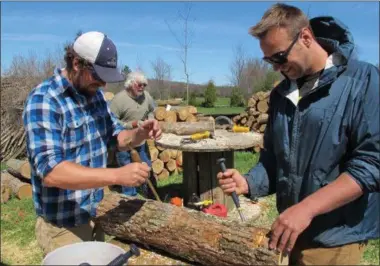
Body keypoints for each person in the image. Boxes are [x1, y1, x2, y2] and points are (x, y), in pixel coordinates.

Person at [217, 4, 379, 265]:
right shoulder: (281, 95)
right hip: (290, 231)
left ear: (305, 37)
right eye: (269, 61)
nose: (276, 67)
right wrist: (248, 182)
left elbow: (371, 165)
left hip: (336, 238)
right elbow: (273, 159)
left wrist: (306, 209)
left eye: (279, 57)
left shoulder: (362, 80)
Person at [22, 31, 162, 255]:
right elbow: (51, 172)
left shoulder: (94, 96)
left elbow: (115, 136)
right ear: (77, 63)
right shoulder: (45, 100)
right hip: (63, 226)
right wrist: (116, 176)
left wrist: (140, 134)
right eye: (98, 75)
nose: (104, 84)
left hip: (96, 212)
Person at [109, 71, 157, 197]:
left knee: (147, 167)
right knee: (127, 172)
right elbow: (112, 122)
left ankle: (150, 196)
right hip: (124, 143)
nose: (142, 87)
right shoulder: (119, 100)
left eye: (144, 85)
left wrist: (150, 119)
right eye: (139, 84)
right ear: (130, 84)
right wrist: (132, 124)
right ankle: (129, 200)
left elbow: (152, 110)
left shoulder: (146, 96)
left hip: (140, 142)